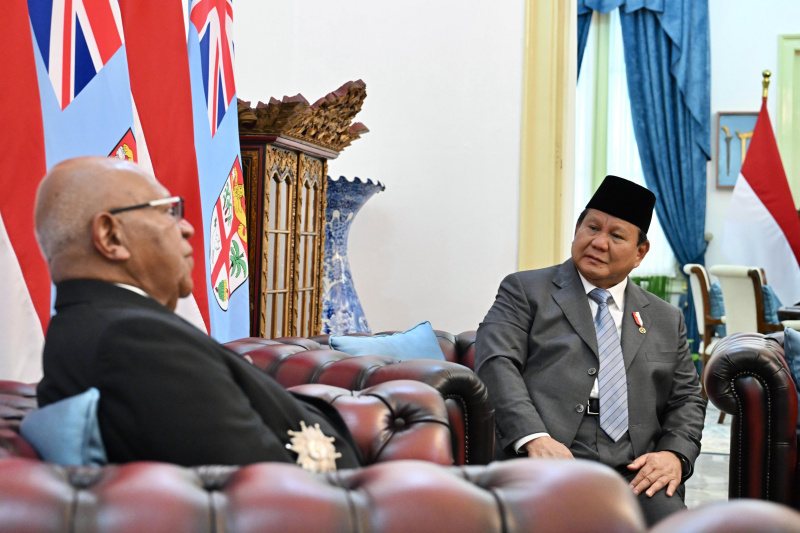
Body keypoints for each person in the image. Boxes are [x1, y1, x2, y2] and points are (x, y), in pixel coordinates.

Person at [34, 156, 361, 470]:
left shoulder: (106, 327)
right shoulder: (137, 343)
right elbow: (258, 491)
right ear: (111, 236)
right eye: (168, 211)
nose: (188, 228)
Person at [474, 175, 706, 526]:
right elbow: (496, 363)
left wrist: (674, 454)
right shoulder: (525, 290)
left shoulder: (665, 317)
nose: (598, 242)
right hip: (549, 452)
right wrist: (534, 438)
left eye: (616, 236)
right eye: (592, 228)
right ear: (576, 230)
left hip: (637, 466)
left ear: (640, 252)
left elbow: (687, 398)